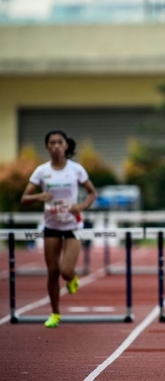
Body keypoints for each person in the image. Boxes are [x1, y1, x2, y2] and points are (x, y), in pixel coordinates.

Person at [20, 130, 97, 328]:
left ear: (66, 146)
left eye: (59, 142)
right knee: (52, 271)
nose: (55, 146)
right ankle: (55, 313)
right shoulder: (41, 171)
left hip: (72, 225)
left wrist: (81, 206)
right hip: (51, 225)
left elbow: (92, 193)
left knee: (65, 270)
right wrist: (38, 197)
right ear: (47, 147)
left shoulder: (76, 169)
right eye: (51, 143)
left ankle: (72, 278)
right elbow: (24, 199)